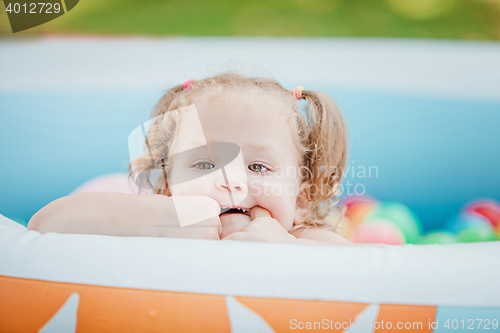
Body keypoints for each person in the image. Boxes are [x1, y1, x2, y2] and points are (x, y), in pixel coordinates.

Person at [28, 73, 376, 246]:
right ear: (167, 186)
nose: (229, 180)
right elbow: (43, 225)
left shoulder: (306, 238)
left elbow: (361, 275)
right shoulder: (156, 224)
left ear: (299, 200)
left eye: (258, 167)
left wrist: (284, 250)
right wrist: (161, 218)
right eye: (205, 164)